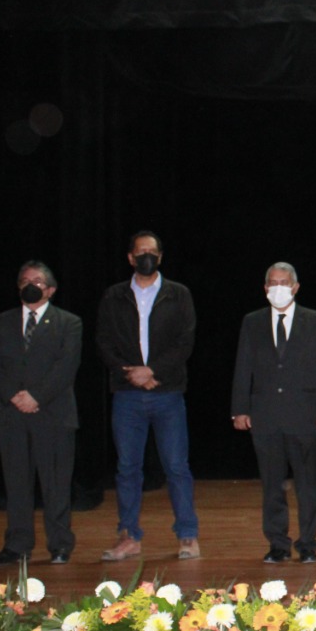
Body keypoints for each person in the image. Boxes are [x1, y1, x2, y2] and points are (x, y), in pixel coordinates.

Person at [96, 231, 200, 561]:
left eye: (152, 252)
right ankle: (129, 537)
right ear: (130, 258)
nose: (146, 257)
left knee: (176, 466)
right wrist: (131, 373)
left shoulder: (178, 294)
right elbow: (103, 342)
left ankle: (187, 536)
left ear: (160, 257)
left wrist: (153, 370)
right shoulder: (114, 296)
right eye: (140, 252)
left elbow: (185, 342)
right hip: (127, 394)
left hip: (167, 393)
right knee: (127, 468)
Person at [232, 262, 316, 564]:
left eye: (284, 282)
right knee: (272, 486)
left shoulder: (315, 320)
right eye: (273, 282)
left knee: (308, 486)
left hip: (305, 415)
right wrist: (239, 409)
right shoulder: (252, 322)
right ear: (265, 288)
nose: (278, 287)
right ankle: (277, 544)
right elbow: (243, 366)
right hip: (265, 416)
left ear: (295, 287)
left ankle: (308, 545)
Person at [0, 261, 82, 565]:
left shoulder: (68, 323)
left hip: (53, 415)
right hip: (10, 415)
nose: (30, 285)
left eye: (37, 281)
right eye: (25, 280)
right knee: (16, 485)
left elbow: (66, 366)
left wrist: (36, 396)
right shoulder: (1, 322)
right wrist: (15, 395)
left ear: (50, 290)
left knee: (56, 485)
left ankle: (60, 545)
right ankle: (17, 545)